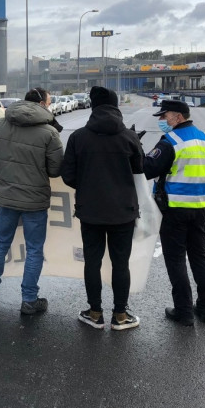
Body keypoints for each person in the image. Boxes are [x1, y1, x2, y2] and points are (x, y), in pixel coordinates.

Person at [61, 86, 144, 330]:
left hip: (90, 210)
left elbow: (67, 174)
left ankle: (95, 312)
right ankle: (120, 315)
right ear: (116, 106)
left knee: (93, 262)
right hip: (123, 211)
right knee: (121, 263)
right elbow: (140, 169)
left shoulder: (78, 137)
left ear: (93, 107)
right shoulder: (129, 137)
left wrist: (86, 185)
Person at [0, 87, 64, 315]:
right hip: (35, 200)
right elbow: (56, 170)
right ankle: (29, 299)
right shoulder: (49, 132)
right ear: (43, 104)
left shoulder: (2, 125)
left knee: (0, 243)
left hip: (7, 197)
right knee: (34, 249)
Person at [144, 99, 205, 326]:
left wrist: (137, 150)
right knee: (199, 257)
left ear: (178, 116)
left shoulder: (171, 141)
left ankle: (184, 311)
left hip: (175, 211)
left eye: (164, 116)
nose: (161, 121)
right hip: (200, 209)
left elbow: (148, 168)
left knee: (176, 259)